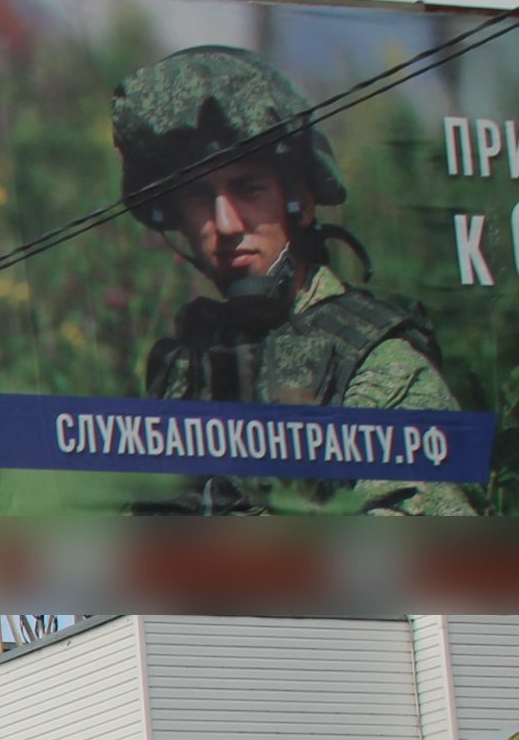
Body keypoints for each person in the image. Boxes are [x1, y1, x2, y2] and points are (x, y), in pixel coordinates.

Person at [110, 45, 472, 516]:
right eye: (200, 197)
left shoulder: (376, 367)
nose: (225, 223)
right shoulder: (186, 365)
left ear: (298, 197)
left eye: (248, 189)